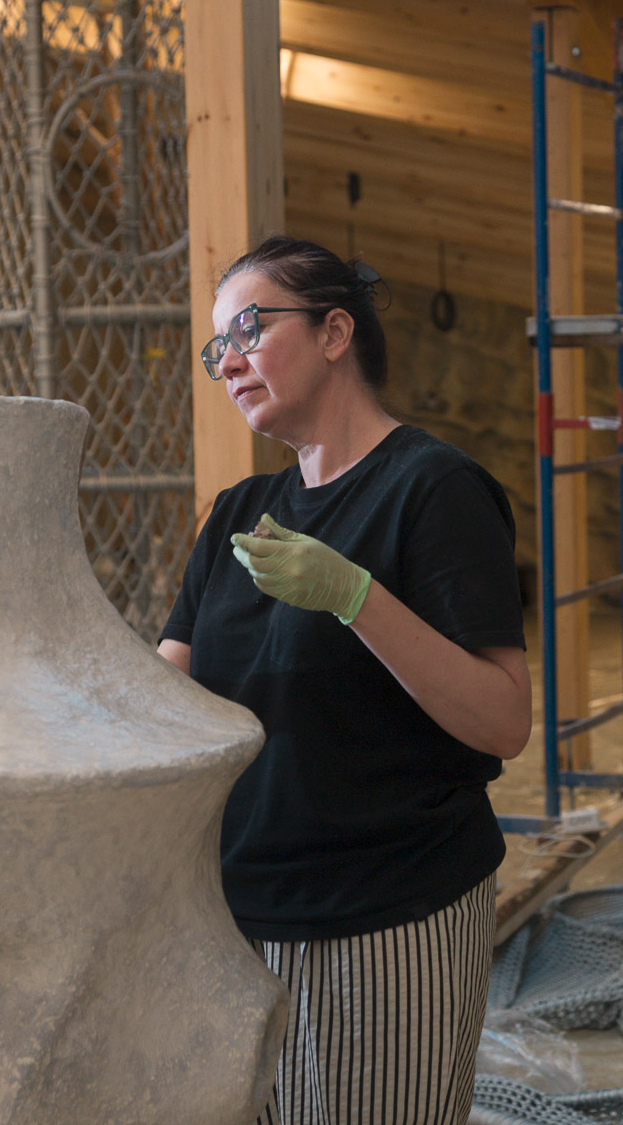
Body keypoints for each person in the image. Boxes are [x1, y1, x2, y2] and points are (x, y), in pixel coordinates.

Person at [157, 235, 531, 1125]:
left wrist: (357, 597)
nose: (229, 359)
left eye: (248, 326)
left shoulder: (432, 488)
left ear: (334, 332)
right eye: (217, 347)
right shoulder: (239, 517)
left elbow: (504, 720)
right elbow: (163, 700)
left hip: (387, 911)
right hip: (241, 915)